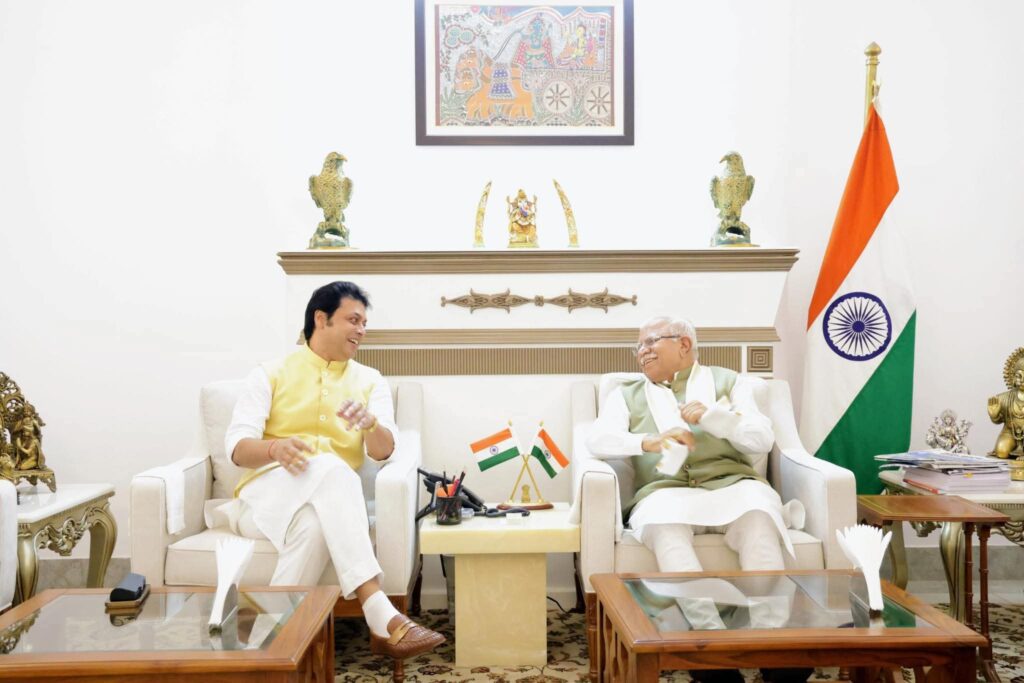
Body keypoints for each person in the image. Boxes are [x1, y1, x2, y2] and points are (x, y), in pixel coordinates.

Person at [221, 281, 443, 660]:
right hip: (262, 500)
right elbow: (238, 450)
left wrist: (370, 425)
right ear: (321, 319)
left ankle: (261, 639)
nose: (362, 330)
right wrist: (275, 448)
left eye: (365, 323)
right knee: (331, 466)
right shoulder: (269, 373)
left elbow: (384, 452)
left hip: (327, 502)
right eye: (353, 320)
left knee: (315, 525)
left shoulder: (370, 381)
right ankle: (376, 605)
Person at [586, 315, 809, 683]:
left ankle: (771, 645)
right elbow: (597, 440)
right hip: (665, 493)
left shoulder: (730, 382)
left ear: (684, 344)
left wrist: (716, 418)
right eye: (638, 346)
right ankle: (708, 649)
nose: (642, 352)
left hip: (733, 485)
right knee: (665, 532)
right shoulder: (626, 394)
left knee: (760, 521)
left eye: (651, 342)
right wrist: (647, 442)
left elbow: (761, 439)